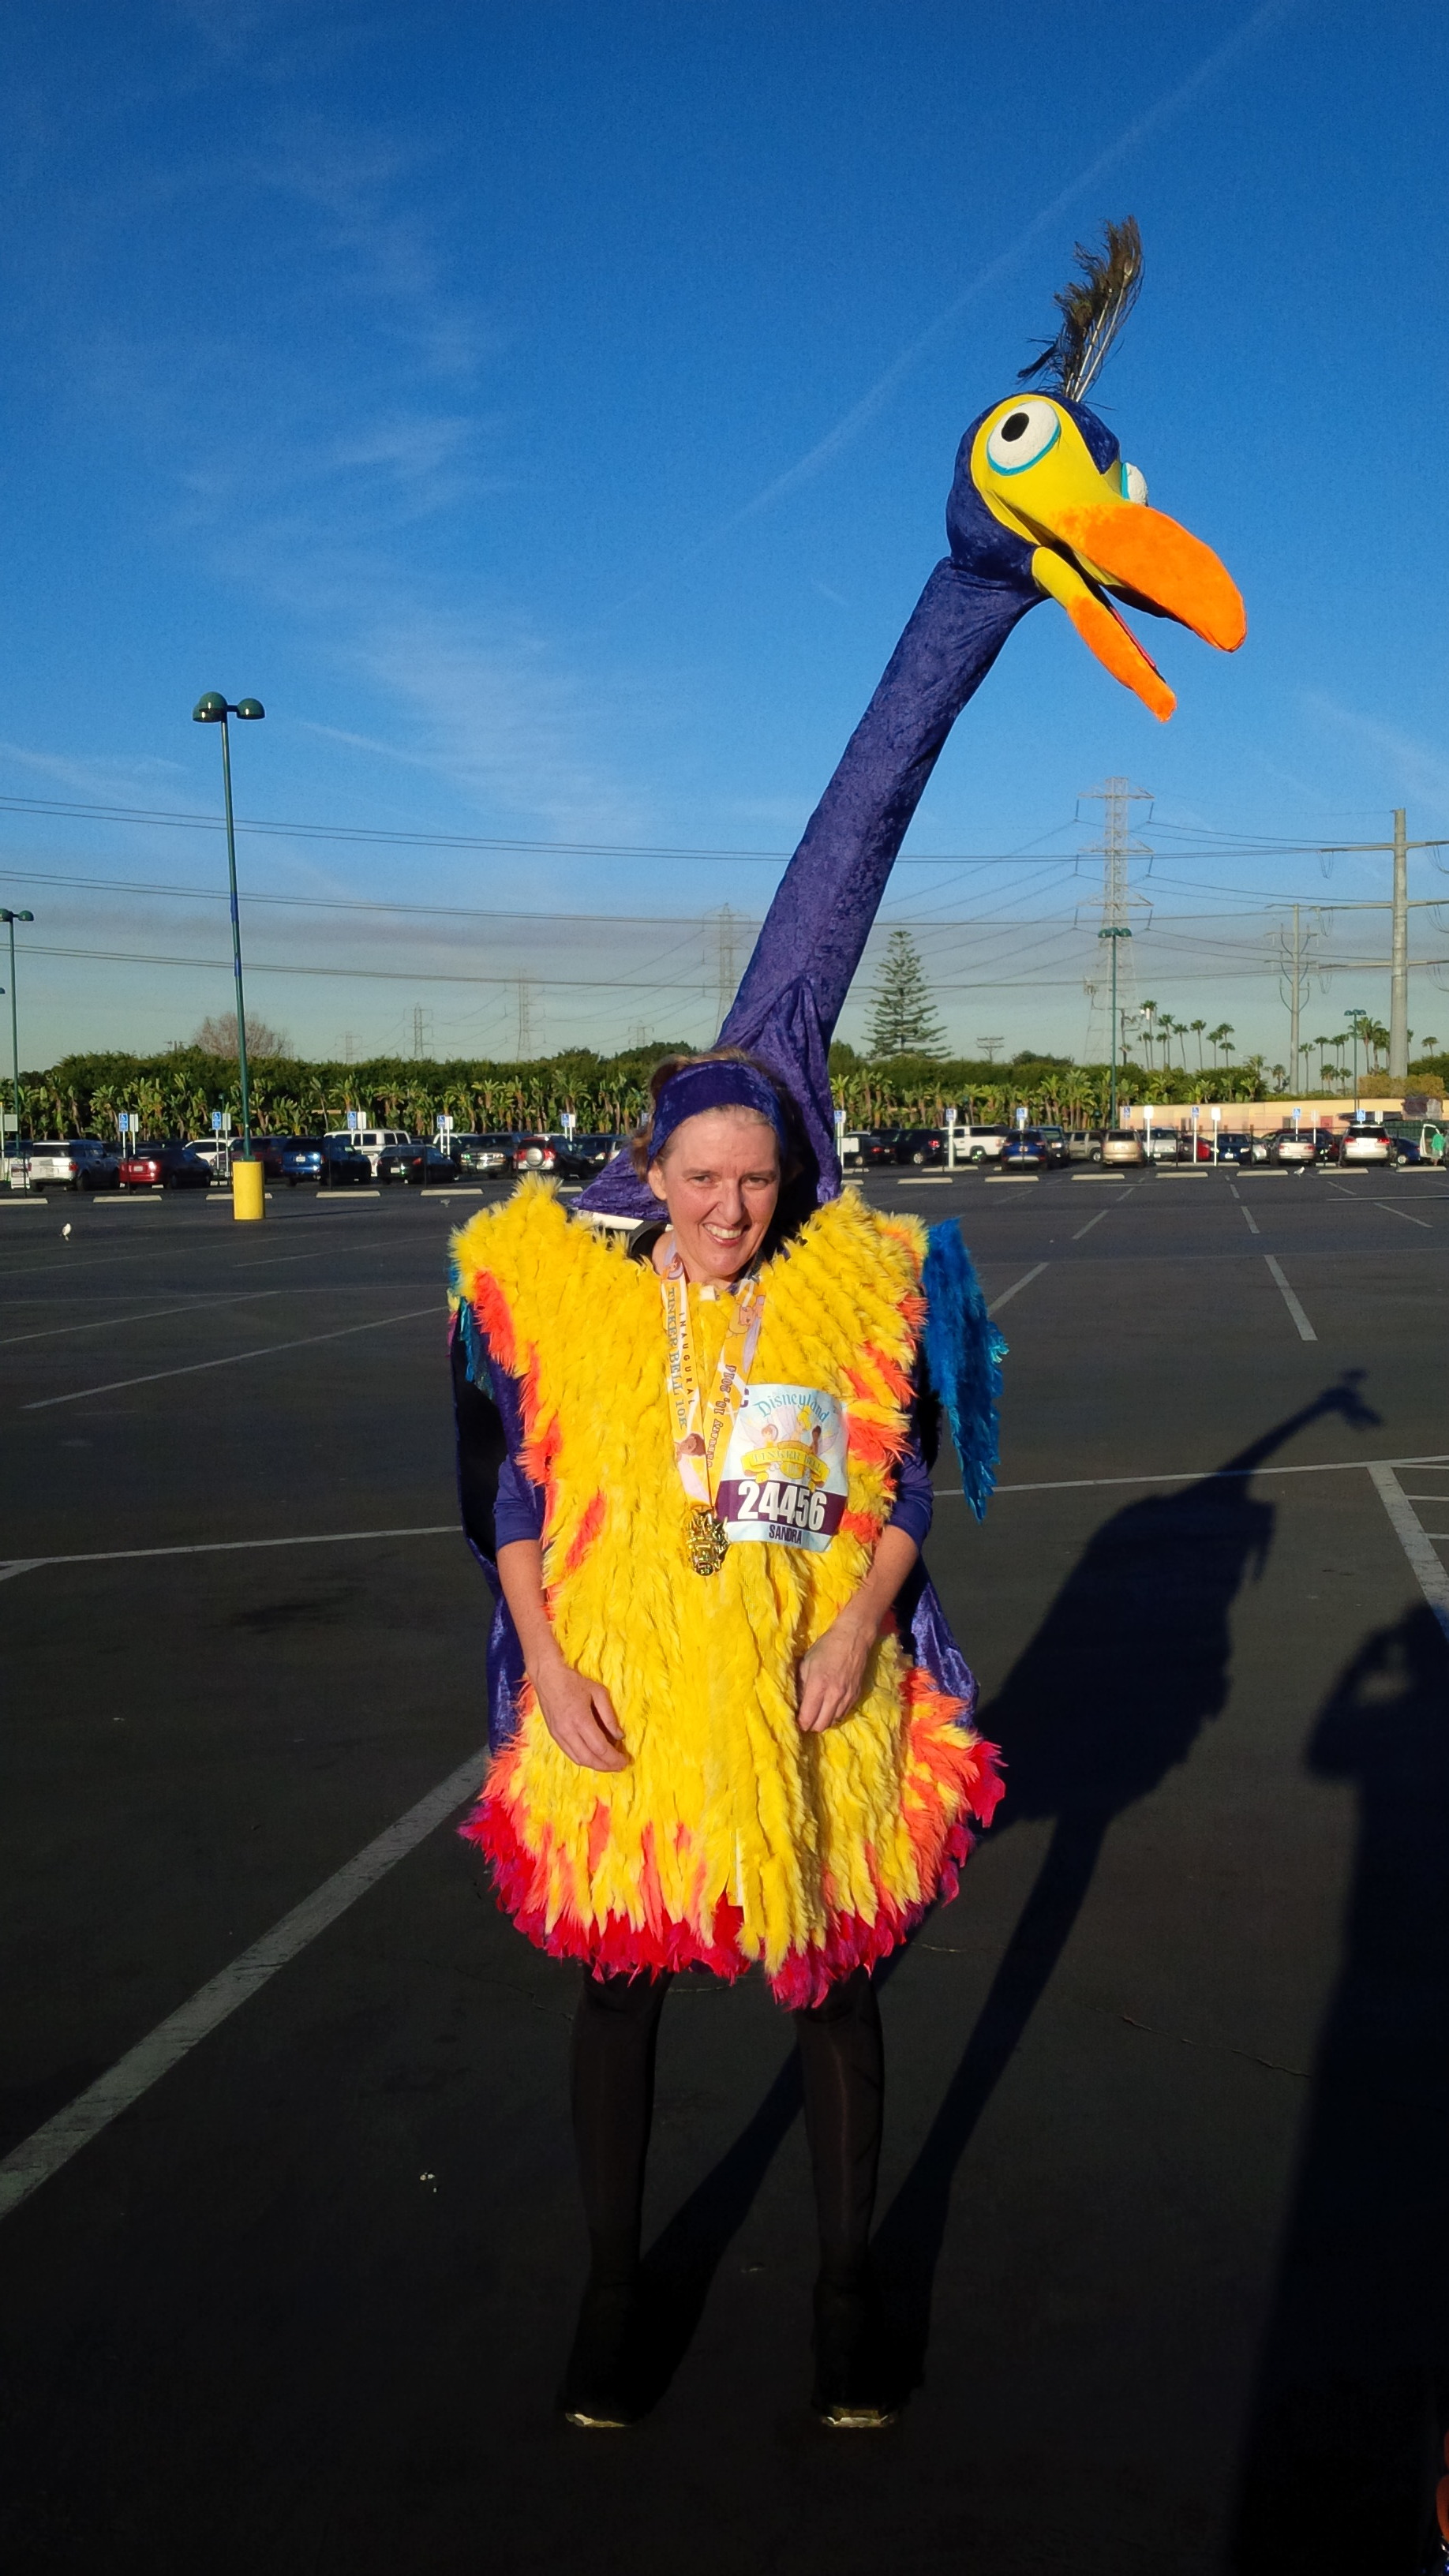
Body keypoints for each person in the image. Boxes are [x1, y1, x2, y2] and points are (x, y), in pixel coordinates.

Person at [450, 1049, 1003, 2429]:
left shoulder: (831, 1307)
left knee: (834, 1985)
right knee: (617, 1988)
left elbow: (905, 1489)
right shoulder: (588, 1312)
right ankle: (613, 2294)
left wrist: (859, 1627)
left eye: (755, 1180)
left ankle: (846, 2295)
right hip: (624, 1696)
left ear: (784, 1180)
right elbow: (516, 1497)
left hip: (805, 1698)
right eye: (701, 1177)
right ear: (654, 1173)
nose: (728, 1207)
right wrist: (547, 1666)